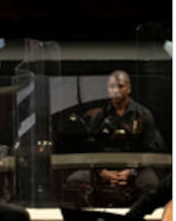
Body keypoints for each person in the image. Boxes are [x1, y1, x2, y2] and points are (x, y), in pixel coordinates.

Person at [65, 70, 163, 206]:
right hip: (104, 168)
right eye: (112, 86)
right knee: (75, 180)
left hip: (135, 168)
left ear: (129, 88)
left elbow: (151, 150)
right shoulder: (99, 116)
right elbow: (91, 150)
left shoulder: (143, 115)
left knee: (151, 184)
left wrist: (131, 171)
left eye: (120, 86)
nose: (115, 90)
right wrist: (102, 172)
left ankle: (138, 219)